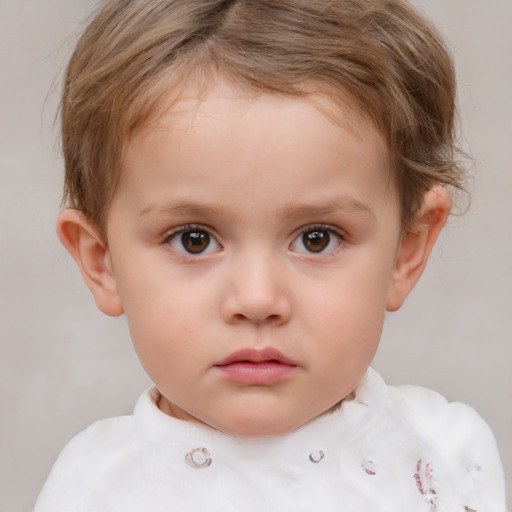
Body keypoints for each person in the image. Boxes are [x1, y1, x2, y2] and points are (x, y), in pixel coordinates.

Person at [34, 0, 506, 510]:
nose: (257, 299)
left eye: (317, 238)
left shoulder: (447, 460)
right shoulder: (93, 490)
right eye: (194, 239)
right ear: (102, 261)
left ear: (405, 250)